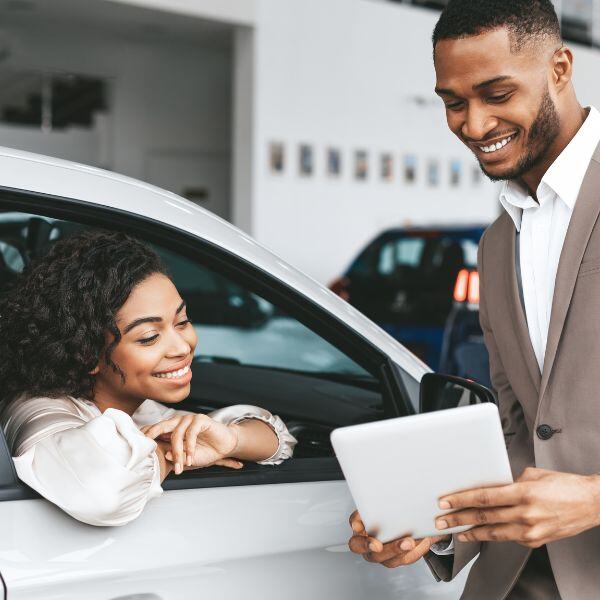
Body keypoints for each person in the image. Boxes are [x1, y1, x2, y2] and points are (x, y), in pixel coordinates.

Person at [348, 0, 600, 597]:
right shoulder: (495, 244)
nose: (474, 124)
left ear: (560, 69)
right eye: (453, 102)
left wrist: (593, 499)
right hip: (516, 579)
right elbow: (519, 432)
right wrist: (432, 527)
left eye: (496, 94)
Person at [0, 230, 296, 526]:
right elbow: (99, 493)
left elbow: (278, 438)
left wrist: (232, 439)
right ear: (87, 353)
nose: (182, 347)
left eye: (182, 322)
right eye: (150, 337)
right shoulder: (37, 412)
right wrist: (170, 453)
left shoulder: (141, 406)